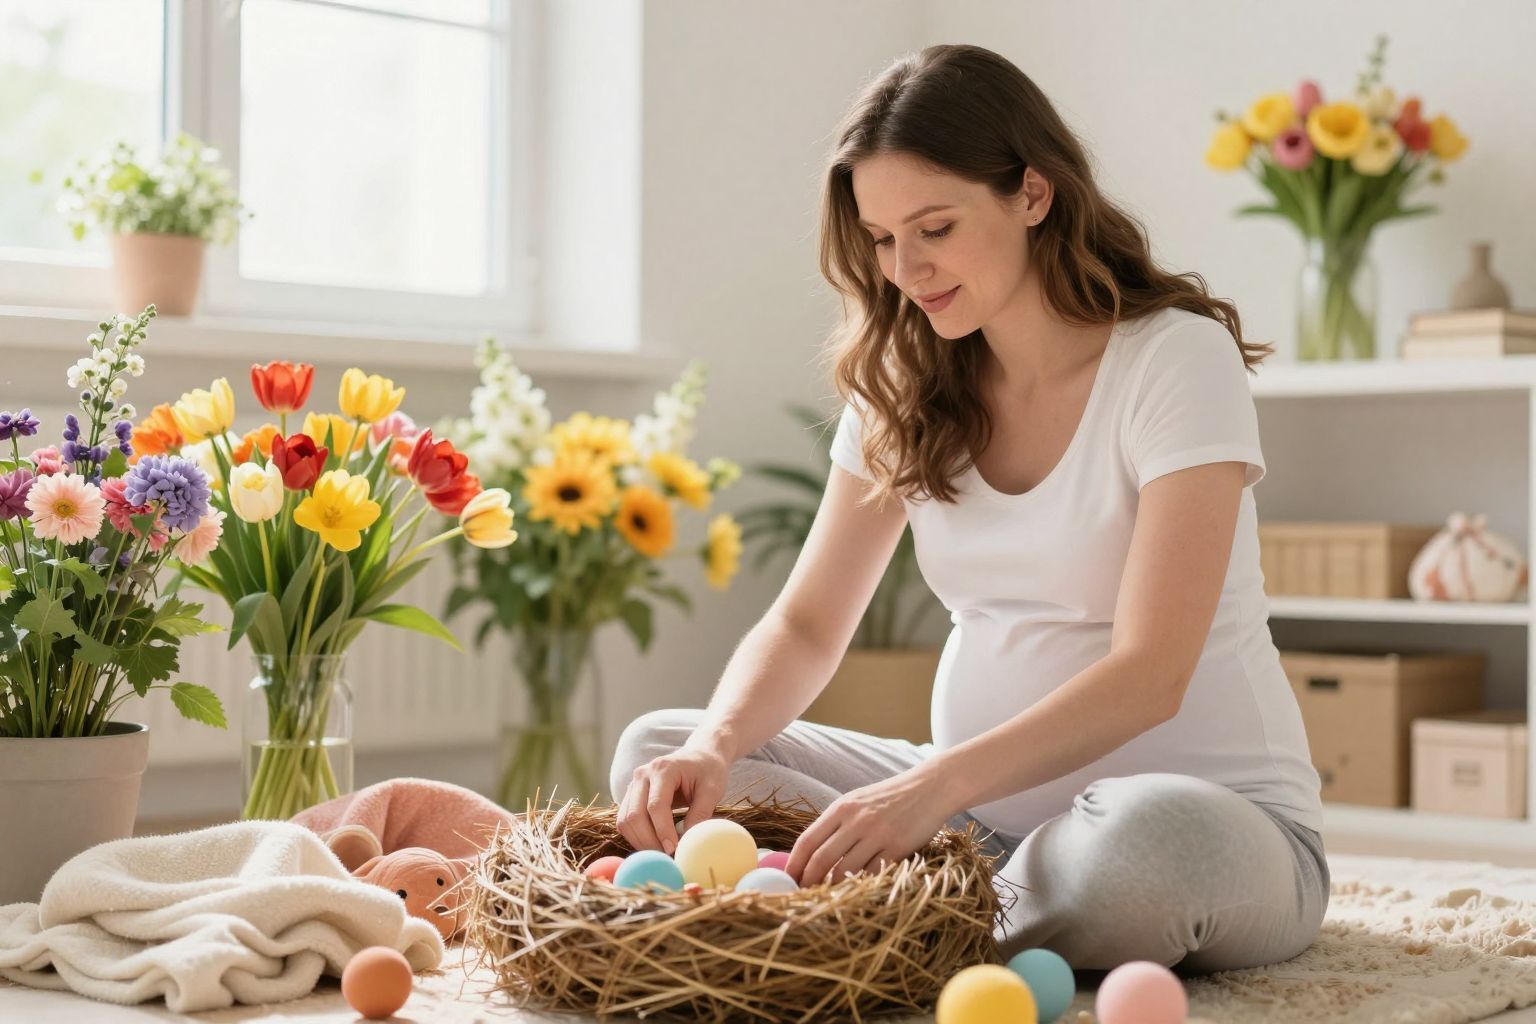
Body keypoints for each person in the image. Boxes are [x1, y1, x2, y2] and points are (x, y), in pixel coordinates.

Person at [608, 42, 1327, 975]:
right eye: (881, 239)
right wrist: (714, 745)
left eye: (935, 228)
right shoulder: (904, 379)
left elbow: (1152, 673)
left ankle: (903, 916)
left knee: (1136, 861)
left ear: (1033, 193)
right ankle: (960, 906)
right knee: (661, 752)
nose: (906, 269)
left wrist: (929, 790)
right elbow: (809, 622)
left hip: (1204, 820)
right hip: (972, 820)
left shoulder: (1173, 359)